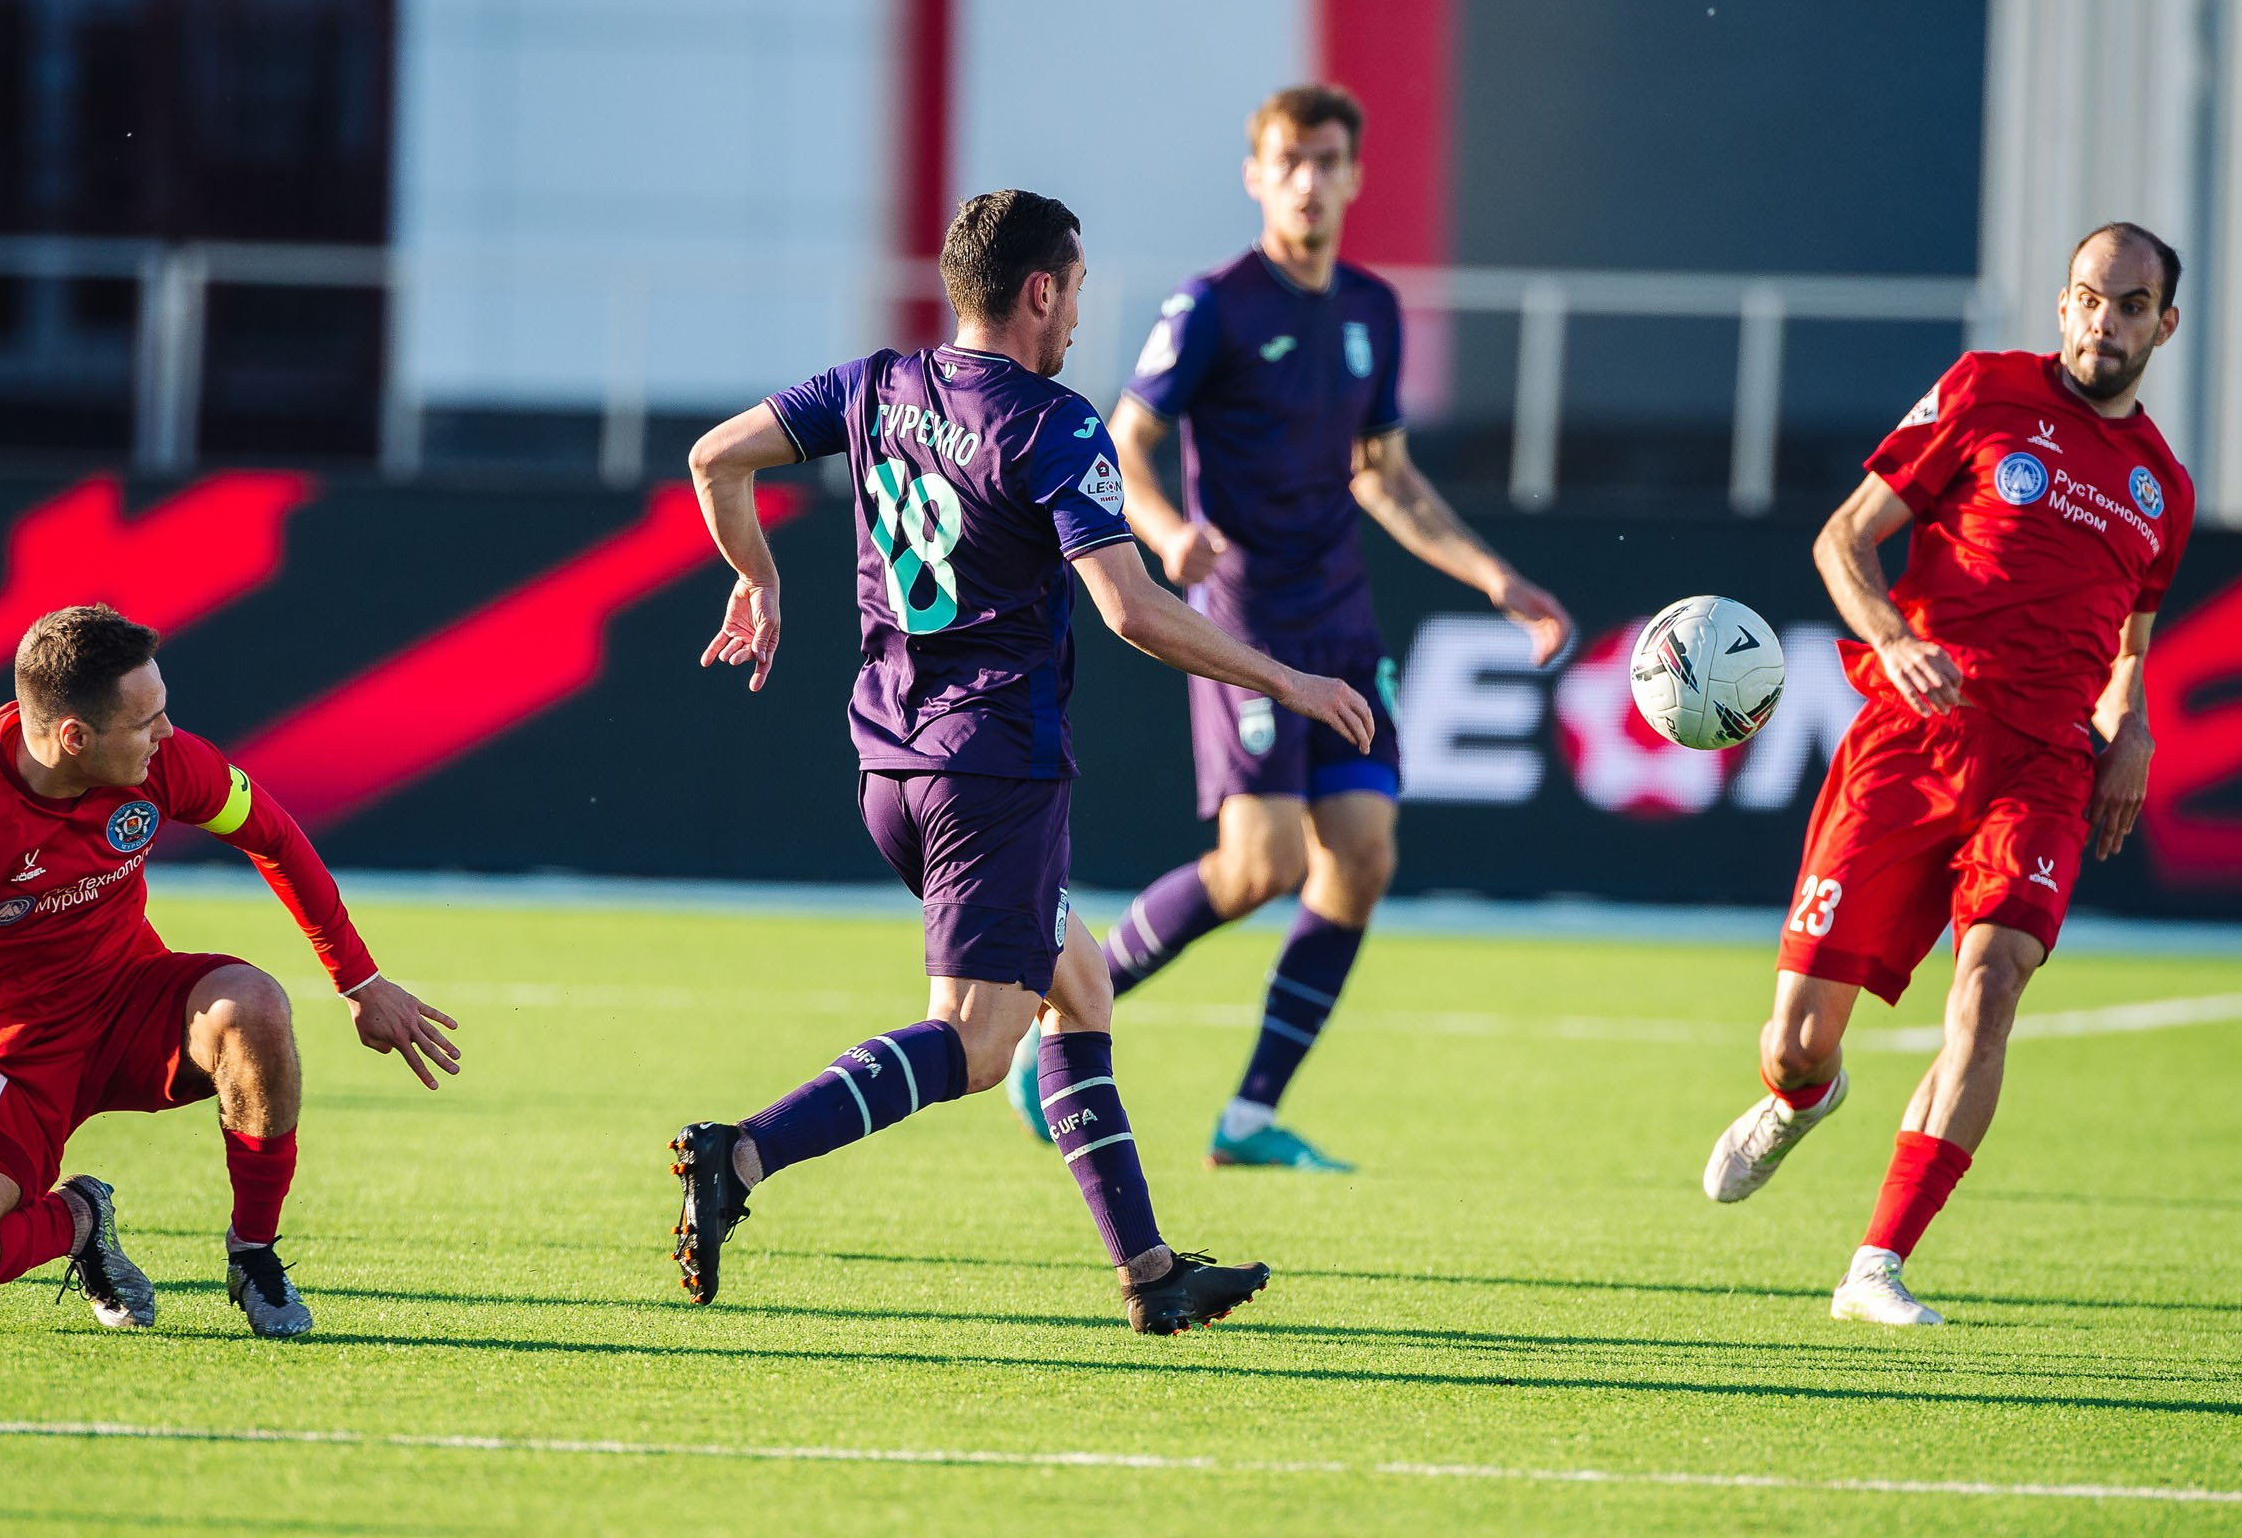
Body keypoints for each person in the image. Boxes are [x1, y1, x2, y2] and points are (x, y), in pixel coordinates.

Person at [674, 189, 1376, 1333]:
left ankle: (1151, 1277)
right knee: (977, 1040)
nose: (1079, 317)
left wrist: (757, 575)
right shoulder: (1053, 422)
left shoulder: (873, 385)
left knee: (1081, 983)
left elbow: (716, 458)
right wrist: (1284, 678)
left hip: (889, 762)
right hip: (993, 766)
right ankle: (742, 1153)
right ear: (1040, 288)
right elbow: (1132, 609)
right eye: (1078, 291)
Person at [1005, 85, 1571, 1170]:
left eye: (1327, 160)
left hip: (1342, 619)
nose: (1310, 180)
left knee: (1361, 857)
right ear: (1256, 176)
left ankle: (1250, 1115)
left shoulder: (1369, 309)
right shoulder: (1214, 304)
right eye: (1290, 161)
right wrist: (1167, 531)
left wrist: (1496, 578)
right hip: (1248, 620)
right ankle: (1065, 1006)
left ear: (1354, 175)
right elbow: (1127, 438)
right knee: (1258, 862)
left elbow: (1386, 478)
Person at [1701, 223, 2194, 1324]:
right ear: (2061, 305)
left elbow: (2128, 643)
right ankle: (1801, 1098)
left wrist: (2133, 722)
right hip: (1912, 741)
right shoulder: (1984, 393)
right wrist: (1888, 636)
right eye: (2083, 298)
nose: (2099, 321)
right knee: (1791, 1040)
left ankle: (1875, 1259)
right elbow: (1842, 539)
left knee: (1992, 984)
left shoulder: (2164, 488)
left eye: (2126, 304)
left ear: (2164, 325)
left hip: (2043, 767)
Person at [0, 604, 461, 1336]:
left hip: (128, 1004)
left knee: (251, 1006)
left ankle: (254, 1253)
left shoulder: (162, 763)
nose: (166, 733)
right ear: (74, 738)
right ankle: (79, 1219)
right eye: (146, 721)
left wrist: (359, 981)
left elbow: (276, 836)